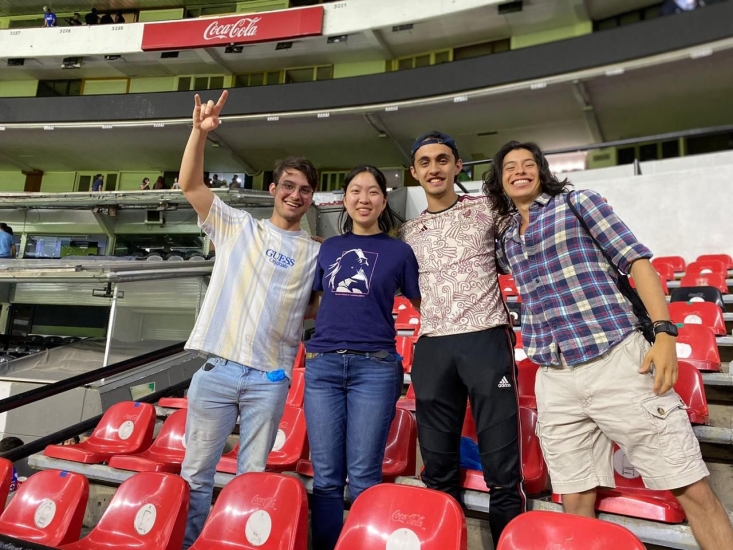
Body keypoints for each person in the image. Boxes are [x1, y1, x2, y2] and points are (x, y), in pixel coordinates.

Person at [485, 140, 733, 550]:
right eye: (509, 166)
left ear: (542, 171)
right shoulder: (508, 237)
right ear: (500, 180)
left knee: (689, 486)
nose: (519, 170)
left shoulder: (579, 202)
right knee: (575, 500)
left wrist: (665, 333)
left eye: (529, 163)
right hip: (555, 376)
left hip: (616, 359)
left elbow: (637, 262)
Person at [178, 90, 320, 548]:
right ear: (274, 189)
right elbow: (191, 186)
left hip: (270, 379)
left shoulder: (317, 253)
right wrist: (199, 133)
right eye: (288, 185)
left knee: (250, 479)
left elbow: (313, 307)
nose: (295, 194)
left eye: (304, 189)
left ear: (311, 198)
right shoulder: (238, 225)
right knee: (196, 476)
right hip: (216, 371)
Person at [398, 131, 525, 546]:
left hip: (486, 340)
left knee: (502, 466)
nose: (434, 168)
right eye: (425, 162)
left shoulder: (488, 210)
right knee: (437, 466)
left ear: (457, 167)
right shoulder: (407, 232)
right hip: (434, 346)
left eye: (442, 160)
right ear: (414, 172)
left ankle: (507, 540)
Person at [305, 165, 420, 550]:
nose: (364, 199)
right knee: (325, 477)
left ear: (384, 201)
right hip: (322, 365)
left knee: (365, 475)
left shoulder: (400, 251)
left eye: (373, 192)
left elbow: (422, 304)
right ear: (345, 199)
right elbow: (316, 304)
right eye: (356, 191)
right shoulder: (329, 249)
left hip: (375, 367)